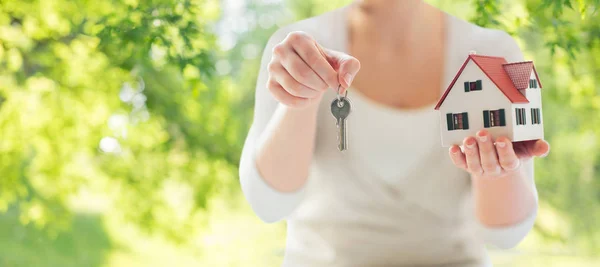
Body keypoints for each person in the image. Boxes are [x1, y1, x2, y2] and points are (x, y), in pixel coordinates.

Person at [239, 0, 551, 266]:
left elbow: (506, 234)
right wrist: (299, 99)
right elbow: (268, 205)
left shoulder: (491, 54)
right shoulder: (297, 49)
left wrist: (494, 170)